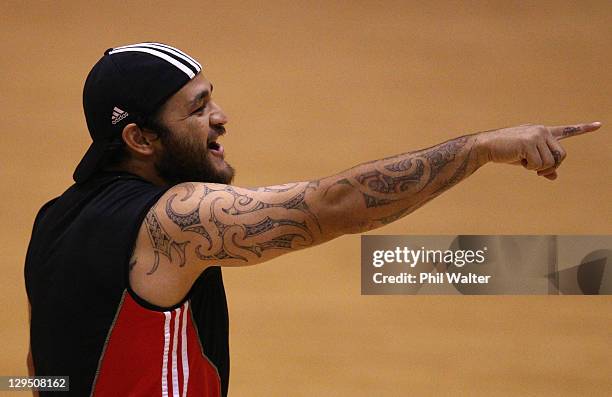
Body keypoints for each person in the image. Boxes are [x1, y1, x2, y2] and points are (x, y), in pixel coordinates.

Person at [24, 42, 602, 397]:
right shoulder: (173, 220)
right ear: (140, 138)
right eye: (198, 109)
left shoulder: (51, 221)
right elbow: (332, 207)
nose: (221, 117)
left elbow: (39, 370)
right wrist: (482, 147)